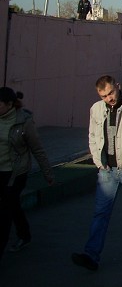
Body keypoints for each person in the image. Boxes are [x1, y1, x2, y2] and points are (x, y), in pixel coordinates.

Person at [72, 75, 122, 271]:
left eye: (110, 93)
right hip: (107, 171)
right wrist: (98, 162)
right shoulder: (96, 109)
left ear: (118, 86)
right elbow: (92, 136)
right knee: (101, 213)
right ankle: (91, 255)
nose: (109, 98)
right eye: (104, 96)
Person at [0, 87, 54, 257]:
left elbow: (37, 149)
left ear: (10, 104)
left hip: (15, 173)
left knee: (6, 210)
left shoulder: (24, 121)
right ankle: (24, 235)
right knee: (13, 205)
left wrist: (48, 174)